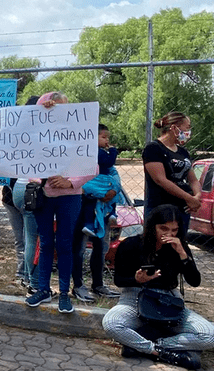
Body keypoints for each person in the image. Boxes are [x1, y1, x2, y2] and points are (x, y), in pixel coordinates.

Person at [102, 204, 214, 369]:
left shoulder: (178, 247)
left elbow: (195, 281)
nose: (168, 234)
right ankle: (159, 351)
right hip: (135, 296)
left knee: (209, 335)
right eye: (163, 228)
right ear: (152, 226)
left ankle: (145, 345)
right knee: (111, 323)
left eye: (174, 230)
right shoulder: (131, 244)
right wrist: (137, 279)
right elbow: (119, 280)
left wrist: (183, 254)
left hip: (168, 300)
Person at [24, 92, 95, 313]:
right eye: (55, 107)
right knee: (45, 243)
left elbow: (92, 165)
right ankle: (43, 289)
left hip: (70, 197)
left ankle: (65, 293)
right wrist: (40, 111)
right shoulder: (38, 133)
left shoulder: (81, 130)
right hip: (44, 196)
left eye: (64, 108)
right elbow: (22, 158)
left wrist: (70, 182)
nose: (59, 112)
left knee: (65, 244)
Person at [71, 123, 121, 302]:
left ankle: (98, 284)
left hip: (102, 207)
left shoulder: (104, 158)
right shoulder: (79, 156)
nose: (107, 141)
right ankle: (78, 286)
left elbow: (114, 175)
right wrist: (97, 191)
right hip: (82, 206)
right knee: (79, 248)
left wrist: (113, 190)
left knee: (100, 247)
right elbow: (78, 183)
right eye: (103, 137)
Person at [142, 111, 201, 236]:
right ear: (174, 128)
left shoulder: (183, 152)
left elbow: (193, 180)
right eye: (187, 127)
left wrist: (197, 197)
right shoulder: (153, 148)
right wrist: (188, 198)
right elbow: (160, 180)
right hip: (161, 209)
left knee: (179, 246)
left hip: (183, 209)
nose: (188, 132)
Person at [7, 95, 40, 295]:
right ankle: (33, 283)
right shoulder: (41, 132)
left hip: (19, 186)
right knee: (33, 240)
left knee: (28, 238)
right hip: (32, 187)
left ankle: (28, 278)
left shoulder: (17, 131)